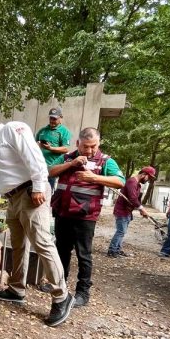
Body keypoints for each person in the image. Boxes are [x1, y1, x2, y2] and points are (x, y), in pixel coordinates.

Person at [0, 112, 75, 326]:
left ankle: (61, 296)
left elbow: (34, 156)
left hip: (30, 194)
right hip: (15, 198)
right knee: (19, 245)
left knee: (43, 243)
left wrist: (38, 186)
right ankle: (17, 289)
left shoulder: (11, 129)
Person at [48, 127, 125, 307]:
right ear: (78, 144)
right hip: (62, 213)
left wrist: (94, 178)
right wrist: (71, 164)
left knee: (84, 254)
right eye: (85, 147)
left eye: (93, 146)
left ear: (99, 143)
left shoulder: (106, 161)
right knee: (61, 251)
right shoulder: (68, 157)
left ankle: (83, 292)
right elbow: (50, 171)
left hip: (85, 216)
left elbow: (120, 181)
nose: (90, 151)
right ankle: (60, 286)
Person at [107, 166, 155, 258]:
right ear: (144, 174)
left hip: (127, 211)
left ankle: (117, 249)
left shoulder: (138, 184)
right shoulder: (132, 182)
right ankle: (112, 251)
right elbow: (132, 198)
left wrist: (141, 210)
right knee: (121, 231)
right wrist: (141, 208)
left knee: (122, 232)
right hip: (122, 210)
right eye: (149, 177)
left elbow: (136, 199)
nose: (148, 180)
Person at [35, 107, 70, 190]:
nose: (52, 121)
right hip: (39, 166)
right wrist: (37, 145)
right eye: (51, 118)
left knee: (47, 191)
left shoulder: (64, 131)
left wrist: (50, 148)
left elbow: (66, 149)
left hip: (52, 167)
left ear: (61, 118)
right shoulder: (42, 130)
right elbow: (34, 144)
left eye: (54, 119)